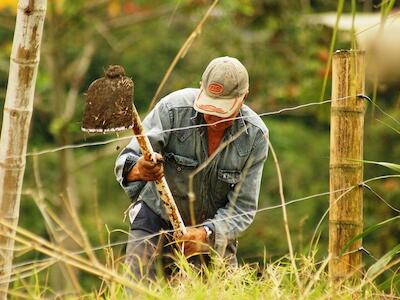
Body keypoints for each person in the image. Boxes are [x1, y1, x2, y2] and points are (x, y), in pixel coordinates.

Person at [114, 56, 269, 279]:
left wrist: (206, 235)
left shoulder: (255, 136)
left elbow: (242, 208)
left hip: (213, 234)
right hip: (155, 220)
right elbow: (126, 162)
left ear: (243, 97)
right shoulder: (172, 110)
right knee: (137, 290)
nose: (214, 117)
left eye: (222, 111)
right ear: (201, 89)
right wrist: (140, 169)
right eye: (209, 108)